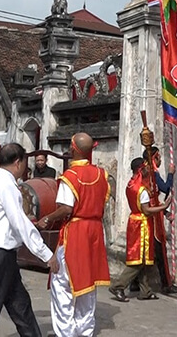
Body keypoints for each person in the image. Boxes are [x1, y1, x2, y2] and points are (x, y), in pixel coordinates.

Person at [0, 143, 58, 337]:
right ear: (18, 162)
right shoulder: (5, 185)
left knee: (20, 304)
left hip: (1, 255)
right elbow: (19, 222)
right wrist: (45, 253)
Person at [37, 133, 110, 337]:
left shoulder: (70, 176)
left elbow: (66, 209)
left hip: (76, 232)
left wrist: (47, 219)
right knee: (88, 282)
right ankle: (84, 331)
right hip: (95, 232)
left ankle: (66, 333)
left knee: (62, 284)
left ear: (73, 149)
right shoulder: (102, 174)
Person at [110, 157, 172, 302]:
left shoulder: (130, 184)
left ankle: (145, 290)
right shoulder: (142, 189)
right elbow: (147, 210)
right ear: (141, 169)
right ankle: (119, 286)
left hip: (134, 222)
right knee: (138, 261)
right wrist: (163, 207)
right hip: (142, 225)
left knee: (143, 259)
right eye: (146, 168)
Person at [141, 146, 177, 294]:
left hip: (144, 216)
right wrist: (171, 174)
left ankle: (135, 283)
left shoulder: (142, 172)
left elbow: (151, 199)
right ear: (155, 158)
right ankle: (166, 284)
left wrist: (164, 212)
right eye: (158, 158)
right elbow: (165, 188)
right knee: (160, 251)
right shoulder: (152, 173)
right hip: (152, 217)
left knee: (144, 250)